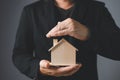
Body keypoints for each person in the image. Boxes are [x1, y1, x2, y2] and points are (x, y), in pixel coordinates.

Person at [12, 0, 120, 80]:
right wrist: (38, 67)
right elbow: (19, 55)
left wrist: (88, 33)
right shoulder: (31, 12)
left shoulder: (97, 9)